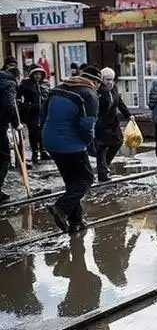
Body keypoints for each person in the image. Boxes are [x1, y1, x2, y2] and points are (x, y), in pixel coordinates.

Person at [41, 65, 102, 233]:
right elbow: (87, 125)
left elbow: (43, 114)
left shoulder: (58, 88)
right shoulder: (88, 94)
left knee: (72, 181)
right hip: (71, 144)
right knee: (85, 179)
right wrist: (87, 142)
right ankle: (60, 208)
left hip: (50, 141)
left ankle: (76, 221)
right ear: (95, 81)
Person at [95, 67, 133, 182]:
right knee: (101, 147)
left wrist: (128, 114)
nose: (110, 82)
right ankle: (102, 173)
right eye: (107, 79)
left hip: (112, 122)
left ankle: (104, 166)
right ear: (102, 79)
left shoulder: (114, 88)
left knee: (118, 141)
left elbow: (119, 102)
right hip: (100, 123)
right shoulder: (98, 90)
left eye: (111, 79)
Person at [18, 63, 51, 163]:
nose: (38, 76)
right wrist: (26, 106)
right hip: (31, 113)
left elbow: (48, 96)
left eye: (40, 74)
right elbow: (19, 98)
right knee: (33, 132)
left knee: (43, 132)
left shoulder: (45, 84)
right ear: (32, 74)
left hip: (43, 112)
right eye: (36, 74)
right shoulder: (25, 84)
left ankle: (43, 150)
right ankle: (35, 152)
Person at [0, 66, 24, 203]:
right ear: (17, 77)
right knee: (3, 158)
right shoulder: (9, 84)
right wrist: (16, 124)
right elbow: (10, 106)